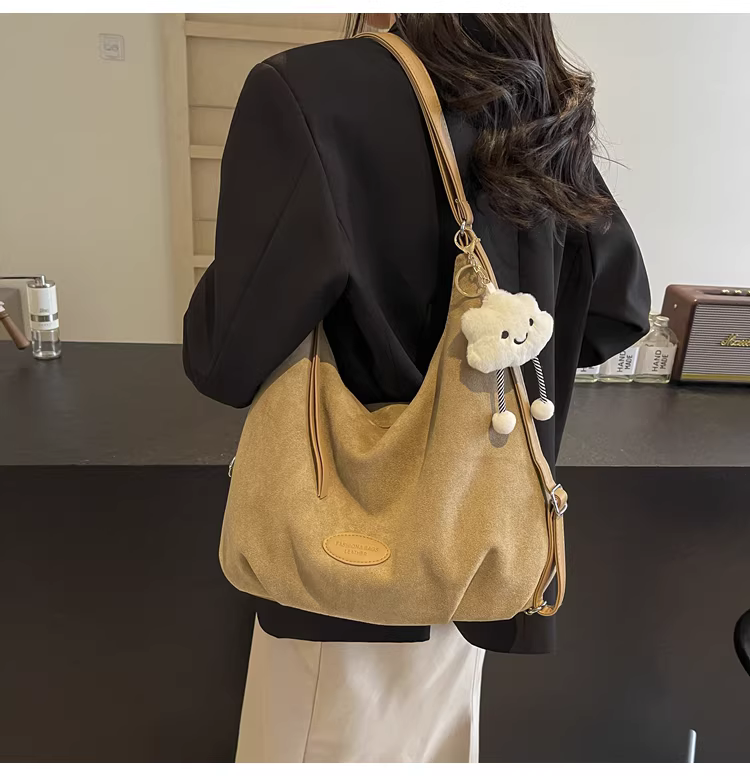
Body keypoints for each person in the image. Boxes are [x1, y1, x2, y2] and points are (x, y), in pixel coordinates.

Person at [182, 12, 650, 763]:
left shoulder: (308, 89)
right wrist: (475, 375)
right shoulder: (536, 97)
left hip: (341, 552)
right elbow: (617, 310)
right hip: (478, 543)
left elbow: (225, 357)